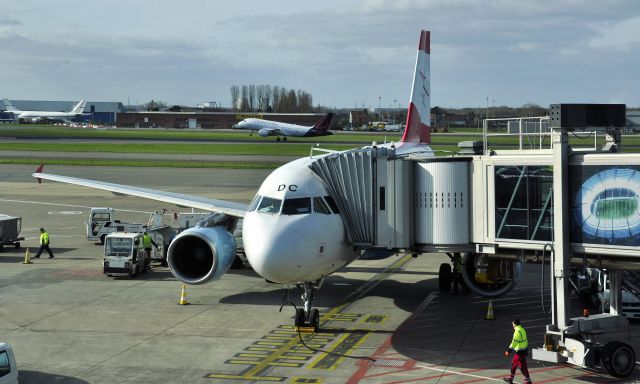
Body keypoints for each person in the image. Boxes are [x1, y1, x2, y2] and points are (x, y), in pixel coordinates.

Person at [503, 319, 532, 384]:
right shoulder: (522, 329)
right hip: (524, 350)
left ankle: (526, 380)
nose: (512, 325)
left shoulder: (517, 331)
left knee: (519, 366)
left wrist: (509, 350)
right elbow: (525, 340)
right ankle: (525, 380)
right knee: (519, 365)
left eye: (512, 324)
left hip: (520, 351)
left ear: (515, 324)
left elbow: (514, 342)